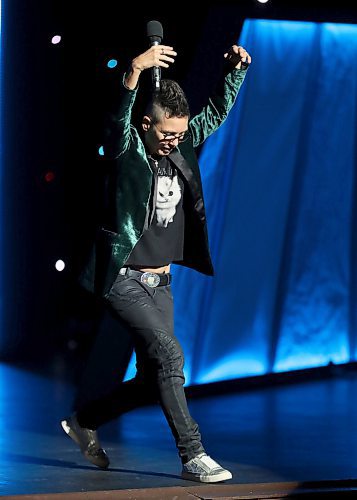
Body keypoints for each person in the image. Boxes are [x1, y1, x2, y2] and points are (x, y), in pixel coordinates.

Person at [61, 39, 251, 483]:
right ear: (146, 124)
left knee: (154, 377)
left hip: (161, 285)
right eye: (166, 133)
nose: (174, 141)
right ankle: (193, 455)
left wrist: (235, 72)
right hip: (122, 279)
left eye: (180, 134)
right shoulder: (128, 151)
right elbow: (115, 125)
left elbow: (214, 114)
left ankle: (84, 420)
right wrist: (133, 72)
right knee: (169, 354)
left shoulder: (180, 146)